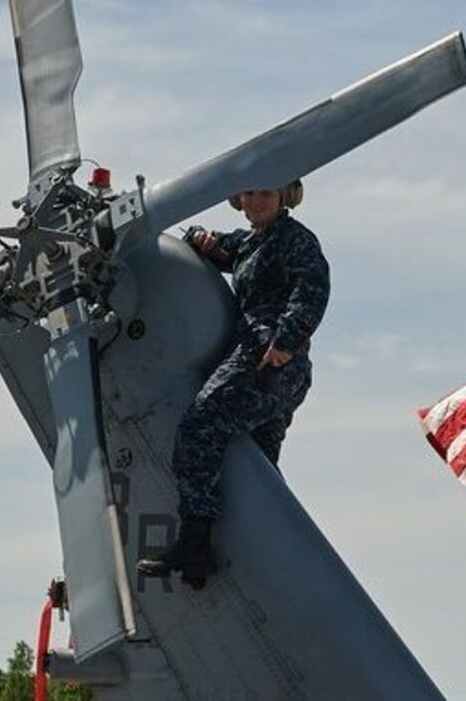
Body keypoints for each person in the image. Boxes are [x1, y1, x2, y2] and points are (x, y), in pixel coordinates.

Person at [136, 179, 330, 587]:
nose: (256, 200)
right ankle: (258, 553)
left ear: (283, 197)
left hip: (265, 361)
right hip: (275, 368)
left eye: (266, 192)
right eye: (251, 193)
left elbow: (312, 289)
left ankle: (195, 540)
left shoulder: (294, 240)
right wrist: (200, 239)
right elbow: (214, 243)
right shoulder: (252, 243)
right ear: (239, 199)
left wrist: (285, 341)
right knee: (257, 465)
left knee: (199, 428)